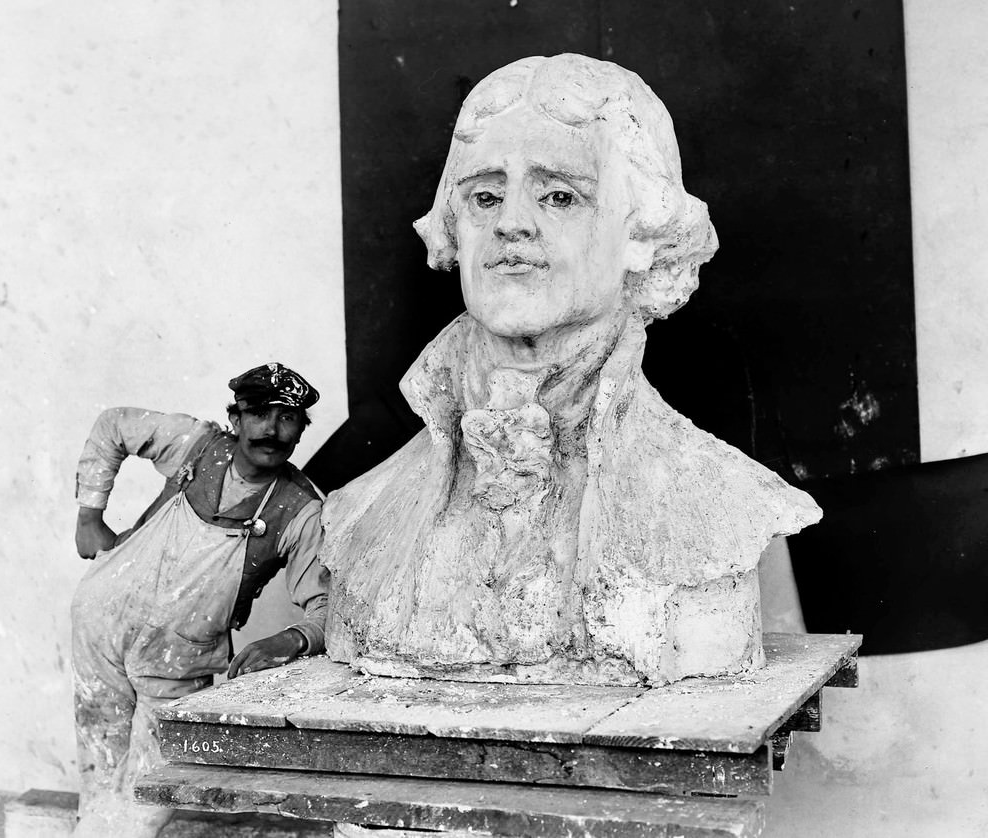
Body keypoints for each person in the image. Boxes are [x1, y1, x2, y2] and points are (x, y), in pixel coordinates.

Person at [321, 54, 820, 687]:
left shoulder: (727, 504)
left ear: (642, 231)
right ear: (454, 228)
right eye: (484, 197)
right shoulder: (357, 515)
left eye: (559, 196)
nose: (511, 224)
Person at [70, 362, 327, 837]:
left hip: (175, 661)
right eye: (258, 414)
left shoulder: (300, 508)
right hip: (100, 627)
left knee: (146, 793)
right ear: (236, 419)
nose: (271, 429)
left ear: (299, 432)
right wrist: (90, 512)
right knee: (98, 771)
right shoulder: (198, 445)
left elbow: (330, 608)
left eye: (287, 418)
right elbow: (114, 424)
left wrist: (292, 639)